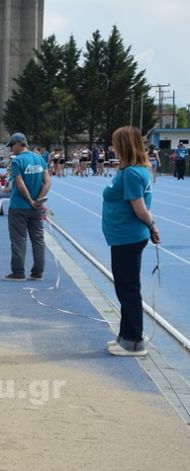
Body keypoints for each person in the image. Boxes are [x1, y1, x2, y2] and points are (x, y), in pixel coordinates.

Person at [102, 126, 160, 356]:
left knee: (128, 289)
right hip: (123, 237)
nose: (113, 148)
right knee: (124, 288)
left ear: (124, 146)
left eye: (116, 143)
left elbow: (140, 209)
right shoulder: (130, 171)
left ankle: (135, 340)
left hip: (128, 237)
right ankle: (126, 335)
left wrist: (152, 226)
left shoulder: (132, 174)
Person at [4, 132, 51, 281]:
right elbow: (48, 181)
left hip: (19, 206)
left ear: (18, 144)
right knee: (38, 239)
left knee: (18, 240)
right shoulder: (39, 159)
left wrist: (30, 200)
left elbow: (19, 183)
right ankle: (38, 272)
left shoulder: (17, 161)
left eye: (12, 146)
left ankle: (18, 272)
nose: (11, 149)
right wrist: (39, 199)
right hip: (36, 207)